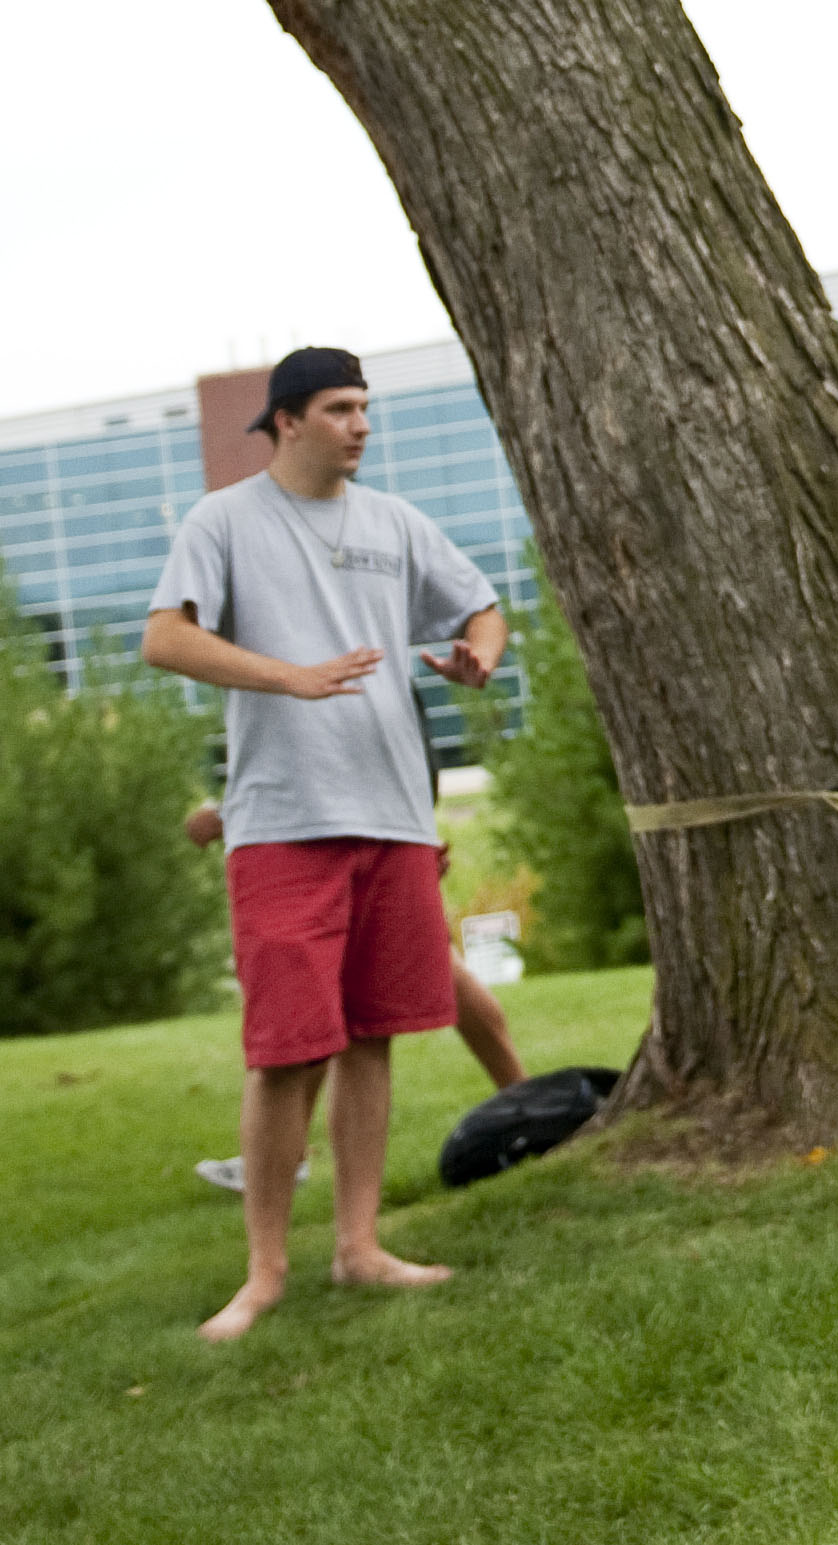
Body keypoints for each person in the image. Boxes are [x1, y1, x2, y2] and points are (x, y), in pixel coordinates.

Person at [140, 347, 506, 1341]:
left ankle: (359, 1246)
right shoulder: (224, 520)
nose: (361, 424)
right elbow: (165, 637)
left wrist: (480, 656)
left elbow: (482, 606)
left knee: (371, 1034)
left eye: (365, 407)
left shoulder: (394, 522)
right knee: (286, 1050)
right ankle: (263, 1272)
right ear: (286, 420)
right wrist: (288, 675)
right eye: (341, 408)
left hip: (394, 815)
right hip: (283, 823)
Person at [184, 800, 528, 1193]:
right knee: (348, 985)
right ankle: (527, 1101)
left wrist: (232, 810)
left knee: (333, 991)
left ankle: (527, 1103)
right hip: (371, 817)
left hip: (361, 820)